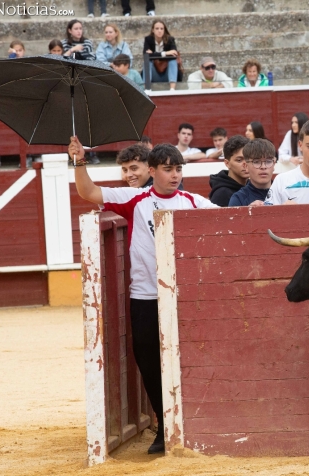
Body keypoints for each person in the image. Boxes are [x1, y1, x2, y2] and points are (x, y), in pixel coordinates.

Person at [71, 137, 217, 456]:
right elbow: (88, 193)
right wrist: (79, 162)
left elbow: (228, 219)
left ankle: (192, 421)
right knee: (148, 360)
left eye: (178, 169)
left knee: (188, 359)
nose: (175, 175)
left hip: (184, 296)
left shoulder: (194, 202)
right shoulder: (134, 198)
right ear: (152, 171)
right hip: (146, 295)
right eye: (167, 169)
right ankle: (165, 425)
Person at [229, 139, 276, 207]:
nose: (263, 167)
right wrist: (248, 213)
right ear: (246, 166)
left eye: (268, 161)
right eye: (256, 162)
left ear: (274, 164)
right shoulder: (238, 199)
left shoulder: (284, 192)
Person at [209, 135, 249, 207]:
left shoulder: (252, 186)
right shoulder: (221, 194)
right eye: (239, 160)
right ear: (227, 163)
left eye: (248, 159)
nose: (245, 164)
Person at [143, 20, 180, 90]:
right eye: (157, 28)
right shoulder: (148, 39)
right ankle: (147, 89)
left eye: (161, 29)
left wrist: (154, 55)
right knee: (147, 62)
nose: (159, 31)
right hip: (154, 73)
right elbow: (146, 56)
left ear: (164, 30)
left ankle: (172, 89)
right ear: (153, 30)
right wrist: (165, 53)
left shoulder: (170, 39)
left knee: (172, 61)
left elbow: (174, 55)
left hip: (167, 72)